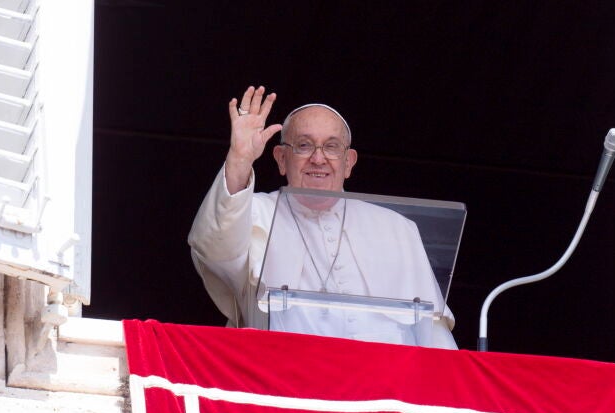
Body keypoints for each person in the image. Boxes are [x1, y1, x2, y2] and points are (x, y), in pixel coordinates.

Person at [188, 86, 457, 348]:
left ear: (349, 162)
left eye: (331, 147)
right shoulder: (255, 212)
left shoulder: (397, 228)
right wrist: (239, 160)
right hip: (288, 381)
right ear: (281, 158)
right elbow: (215, 249)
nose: (318, 159)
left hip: (386, 386)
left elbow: (431, 327)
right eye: (304, 146)